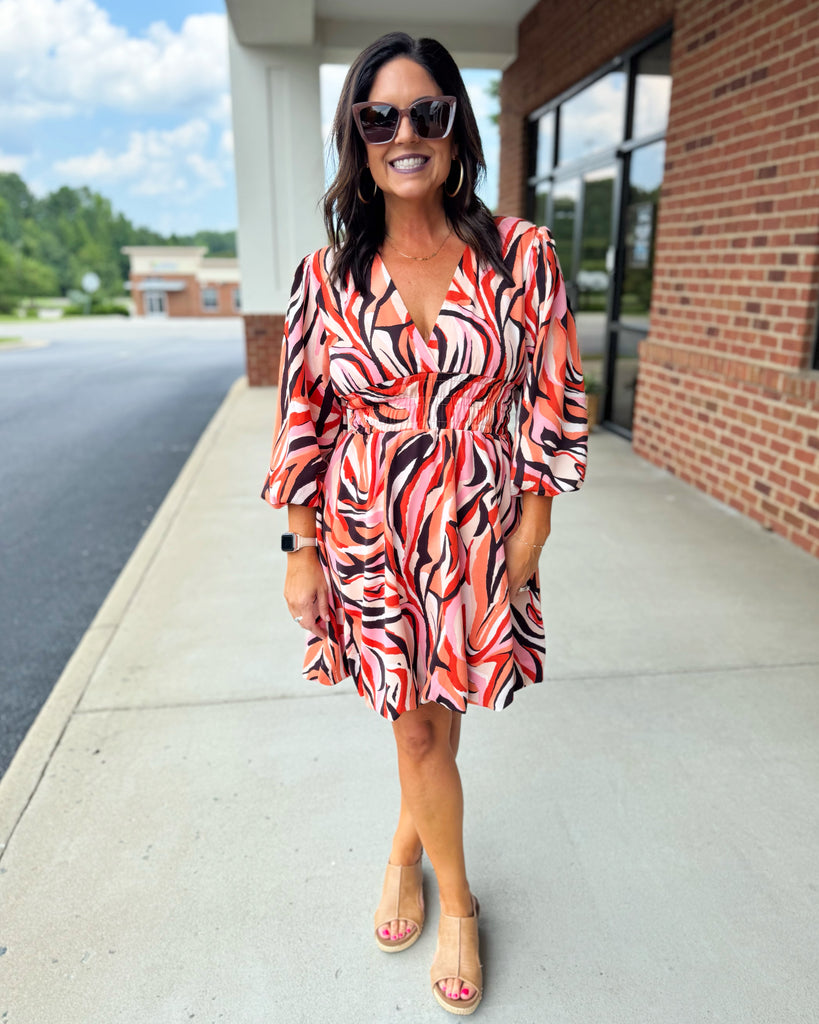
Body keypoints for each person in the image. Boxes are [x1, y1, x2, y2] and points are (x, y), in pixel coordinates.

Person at [261, 31, 587, 1016]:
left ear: (456, 127)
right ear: (357, 139)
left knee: (438, 720)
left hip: (479, 529)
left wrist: (535, 525)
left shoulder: (520, 254)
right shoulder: (325, 277)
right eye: (379, 118)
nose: (404, 134)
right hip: (370, 534)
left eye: (426, 112)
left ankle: (404, 850)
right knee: (415, 732)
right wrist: (300, 548)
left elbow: (553, 399)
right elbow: (303, 418)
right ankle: (459, 907)